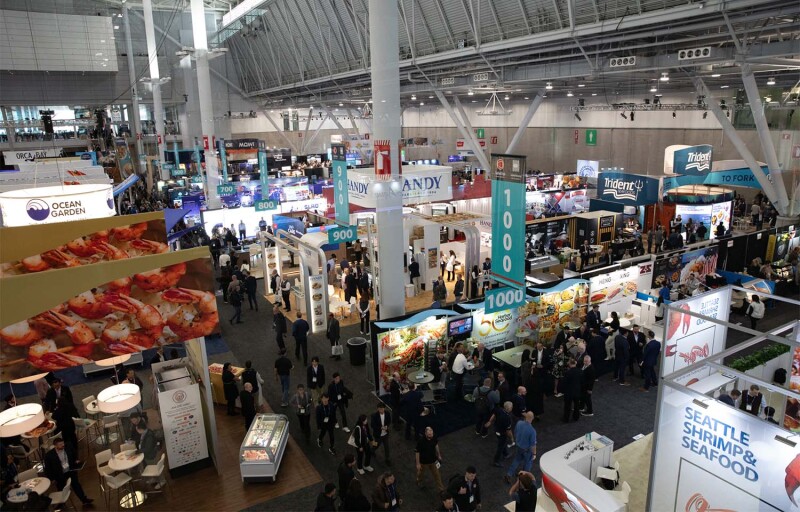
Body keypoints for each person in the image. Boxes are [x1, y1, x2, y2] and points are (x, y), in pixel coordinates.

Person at [43, 438, 93, 506]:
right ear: (55, 446)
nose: (63, 445)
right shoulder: (49, 455)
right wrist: (52, 479)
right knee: (61, 489)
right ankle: (61, 503)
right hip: (60, 474)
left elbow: (74, 453)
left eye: (63, 443)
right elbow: (48, 469)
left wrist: (76, 459)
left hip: (70, 470)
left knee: (76, 485)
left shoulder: (68, 446)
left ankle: (84, 500)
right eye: (60, 444)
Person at [505, 411, 537, 483]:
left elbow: (515, 432)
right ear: (533, 418)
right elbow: (533, 445)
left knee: (516, 460)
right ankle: (523, 477)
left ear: (526, 416)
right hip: (527, 450)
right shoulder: (532, 431)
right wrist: (534, 453)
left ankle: (509, 474)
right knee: (527, 463)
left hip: (519, 446)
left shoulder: (519, 423)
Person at [485, 401, 514, 466]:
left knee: (502, 443)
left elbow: (494, 414)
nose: (512, 408)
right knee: (500, 447)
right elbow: (508, 431)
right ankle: (496, 461)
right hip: (502, 433)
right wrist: (512, 438)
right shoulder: (508, 418)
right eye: (512, 407)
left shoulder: (499, 409)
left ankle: (506, 453)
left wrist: (490, 421)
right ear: (509, 409)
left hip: (496, 429)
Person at [416, 426, 444, 491]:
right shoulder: (421, 441)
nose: (431, 436)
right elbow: (417, 452)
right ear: (425, 433)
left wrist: (439, 455)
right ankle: (419, 481)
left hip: (433, 460)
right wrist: (418, 463)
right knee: (421, 473)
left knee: (437, 475)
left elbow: (436, 445)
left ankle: (441, 489)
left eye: (431, 434)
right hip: (423, 462)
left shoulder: (434, 437)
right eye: (429, 434)